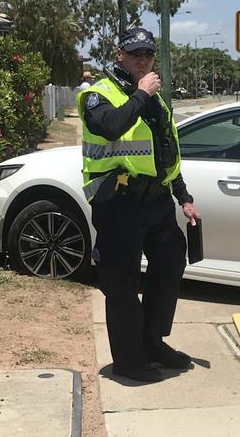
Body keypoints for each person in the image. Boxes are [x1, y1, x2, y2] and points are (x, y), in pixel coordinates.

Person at [77, 28, 202, 383]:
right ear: (119, 55)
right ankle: (129, 360)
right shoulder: (97, 94)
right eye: (135, 54)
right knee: (122, 282)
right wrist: (142, 94)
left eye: (147, 54)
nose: (142, 59)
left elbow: (165, 153)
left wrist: (184, 198)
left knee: (170, 263)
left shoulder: (156, 100)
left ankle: (152, 342)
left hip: (157, 200)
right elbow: (111, 127)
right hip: (118, 201)